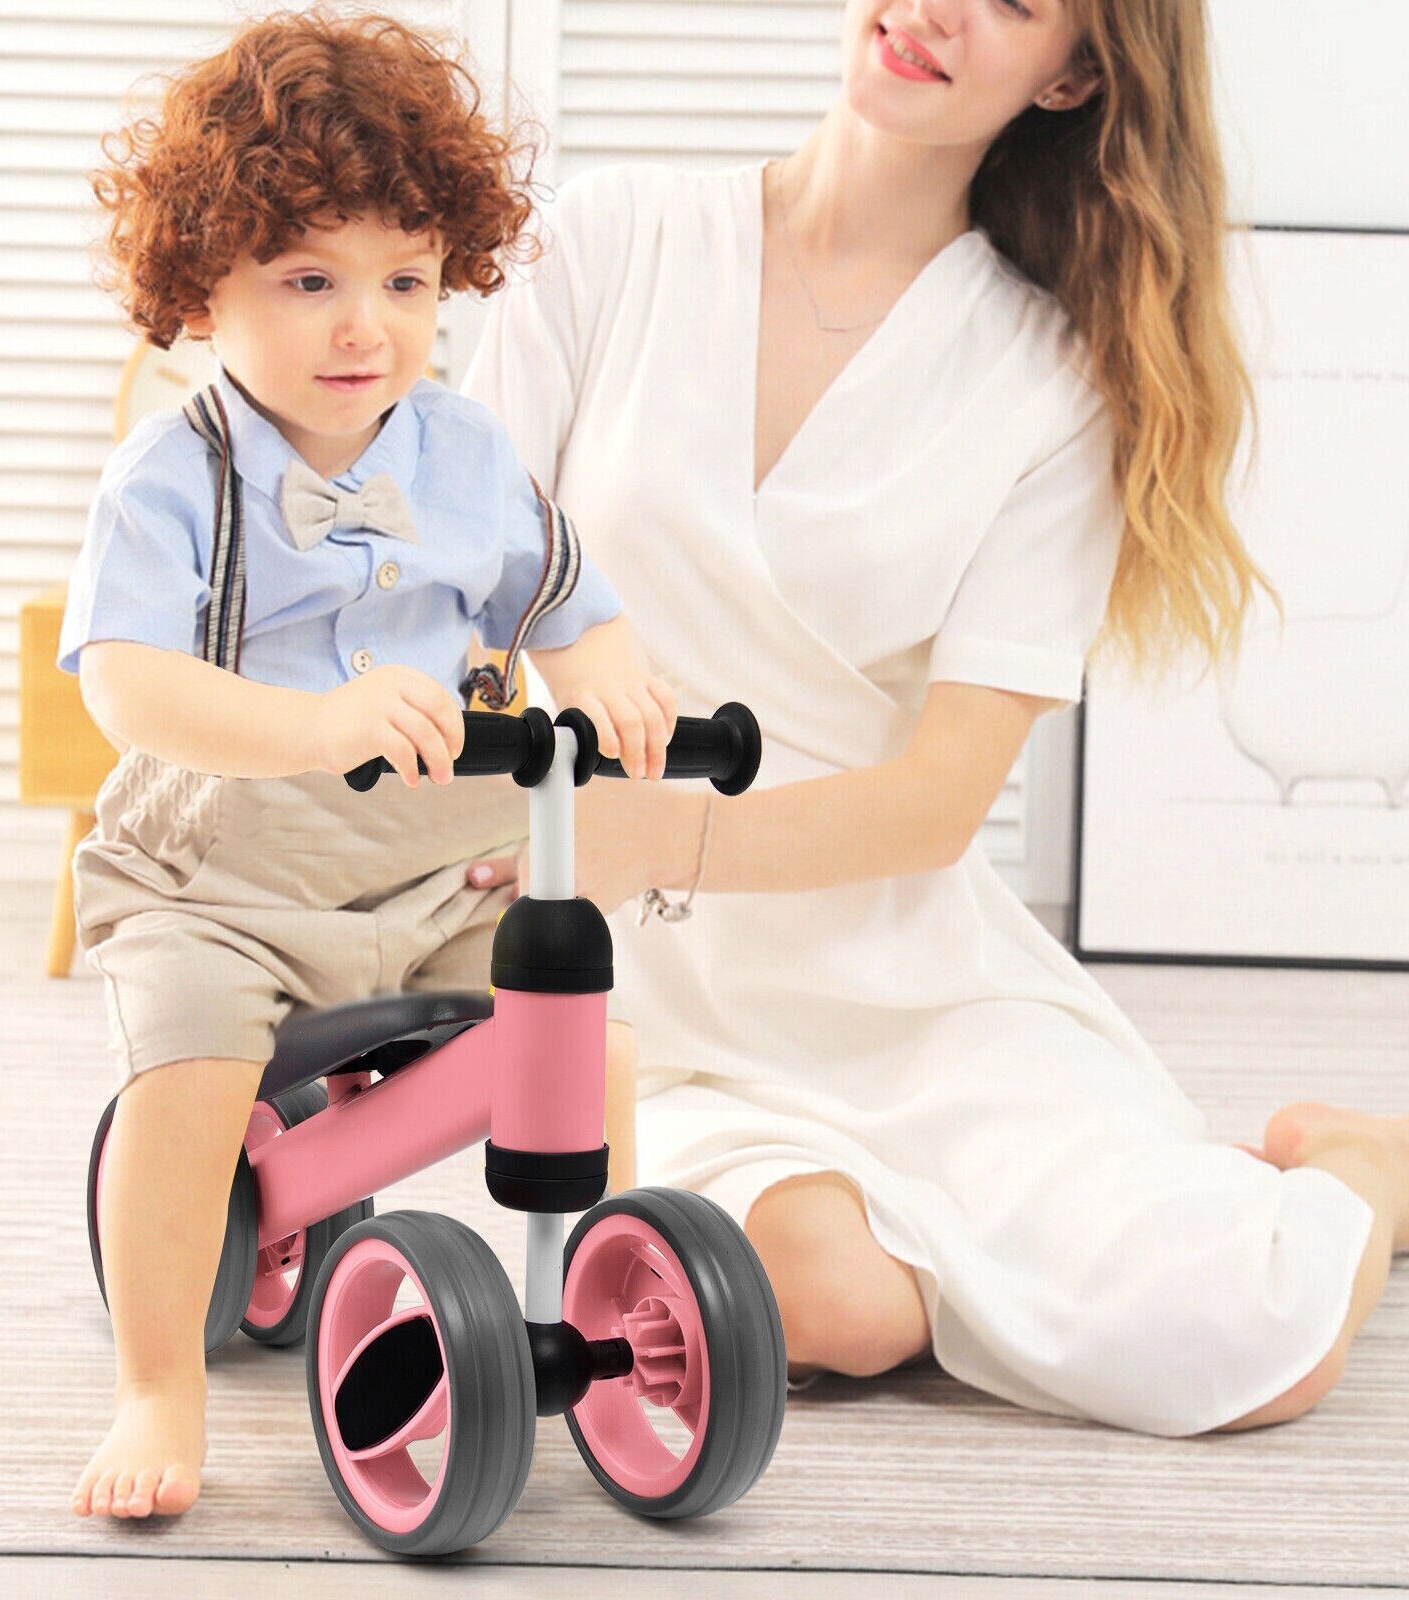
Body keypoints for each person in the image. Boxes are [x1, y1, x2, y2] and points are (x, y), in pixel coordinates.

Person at [460, 0, 1409, 1437]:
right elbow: (466, 589)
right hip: (620, 987)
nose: (940, 9)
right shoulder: (607, 241)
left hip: (897, 985)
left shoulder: (1053, 378)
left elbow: (939, 801)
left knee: (1256, 1340)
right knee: (826, 1298)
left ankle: (1362, 1169)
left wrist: (657, 837)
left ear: (1072, 75)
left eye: (1015, 3)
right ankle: (947, 1261)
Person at [60, 9, 677, 1520]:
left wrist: (612, 678)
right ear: (201, 285)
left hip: (434, 861)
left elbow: (565, 605)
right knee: (189, 1074)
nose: (366, 330)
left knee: (586, 1039)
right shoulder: (174, 478)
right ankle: (159, 1377)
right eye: (309, 281)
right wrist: (313, 727)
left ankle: (593, 1303)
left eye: (406, 282)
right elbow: (129, 686)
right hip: (221, 873)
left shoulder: (463, 452)